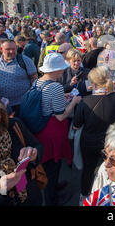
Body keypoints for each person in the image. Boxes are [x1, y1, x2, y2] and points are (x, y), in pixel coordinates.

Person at [72, 65, 115, 200]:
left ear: (92, 84)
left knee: (88, 170)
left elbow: (76, 125)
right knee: (114, 169)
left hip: (90, 143)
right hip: (113, 143)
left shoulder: (85, 102)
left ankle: (85, 196)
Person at [33, 53, 81, 205]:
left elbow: (47, 102)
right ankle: (51, 198)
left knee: (47, 165)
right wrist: (73, 102)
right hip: (52, 131)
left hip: (41, 129)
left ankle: (52, 189)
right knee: (53, 167)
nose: (62, 71)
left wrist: (63, 96)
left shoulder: (38, 82)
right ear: (56, 70)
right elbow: (61, 116)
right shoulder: (55, 86)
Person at [0, 39, 38, 117]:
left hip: (22, 104)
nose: (11, 52)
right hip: (2, 106)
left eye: (14, 49)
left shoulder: (25, 61)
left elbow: (34, 79)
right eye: (8, 49)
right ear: (1, 49)